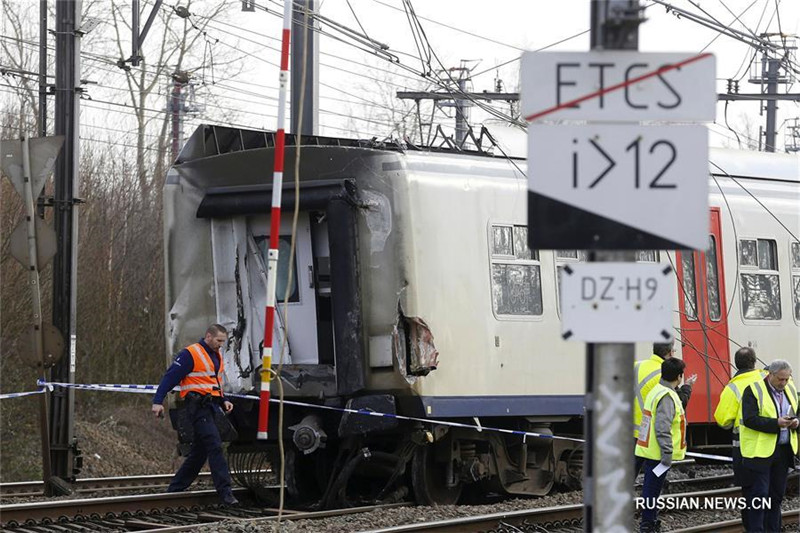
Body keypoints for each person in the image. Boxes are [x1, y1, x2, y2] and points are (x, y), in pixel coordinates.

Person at [152, 324, 238, 506]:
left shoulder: (216, 355)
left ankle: (174, 489)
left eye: (223, 341)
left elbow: (215, 382)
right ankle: (226, 493)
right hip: (196, 408)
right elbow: (170, 377)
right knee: (215, 446)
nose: (221, 344)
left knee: (199, 453)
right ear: (208, 336)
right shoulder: (190, 354)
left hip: (212, 407)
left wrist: (224, 400)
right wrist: (158, 401)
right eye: (218, 340)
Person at [740, 359, 798, 532]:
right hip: (760, 452)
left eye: (787, 379)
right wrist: (776, 423)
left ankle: (773, 529)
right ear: (770, 375)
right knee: (760, 495)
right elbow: (750, 419)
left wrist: (796, 423)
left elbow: (797, 413)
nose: (784, 383)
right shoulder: (753, 390)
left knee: (776, 496)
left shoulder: (791, 390)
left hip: (783, 451)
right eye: (780, 379)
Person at [635, 358, 688, 533]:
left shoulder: (657, 390)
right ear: (679, 376)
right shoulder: (667, 396)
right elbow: (662, 428)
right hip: (658, 454)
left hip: (650, 450)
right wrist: (667, 454)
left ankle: (650, 521)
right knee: (652, 489)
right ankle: (648, 524)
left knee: (651, 488)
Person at [634, 341, 696, 476]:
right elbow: (679, 401)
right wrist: (687, 386)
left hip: (629, 429)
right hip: (648, 433)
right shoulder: (664, 374)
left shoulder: (636, 366)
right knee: (653, 476)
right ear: (669, 353)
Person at [713, 347, 766, 486]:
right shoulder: (766, 378)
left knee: (748, 488)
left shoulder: (732, 388)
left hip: (744, 446)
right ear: (754, 362)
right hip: (769, 443)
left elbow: (723, 420)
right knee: (766, 486)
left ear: (736, 364)